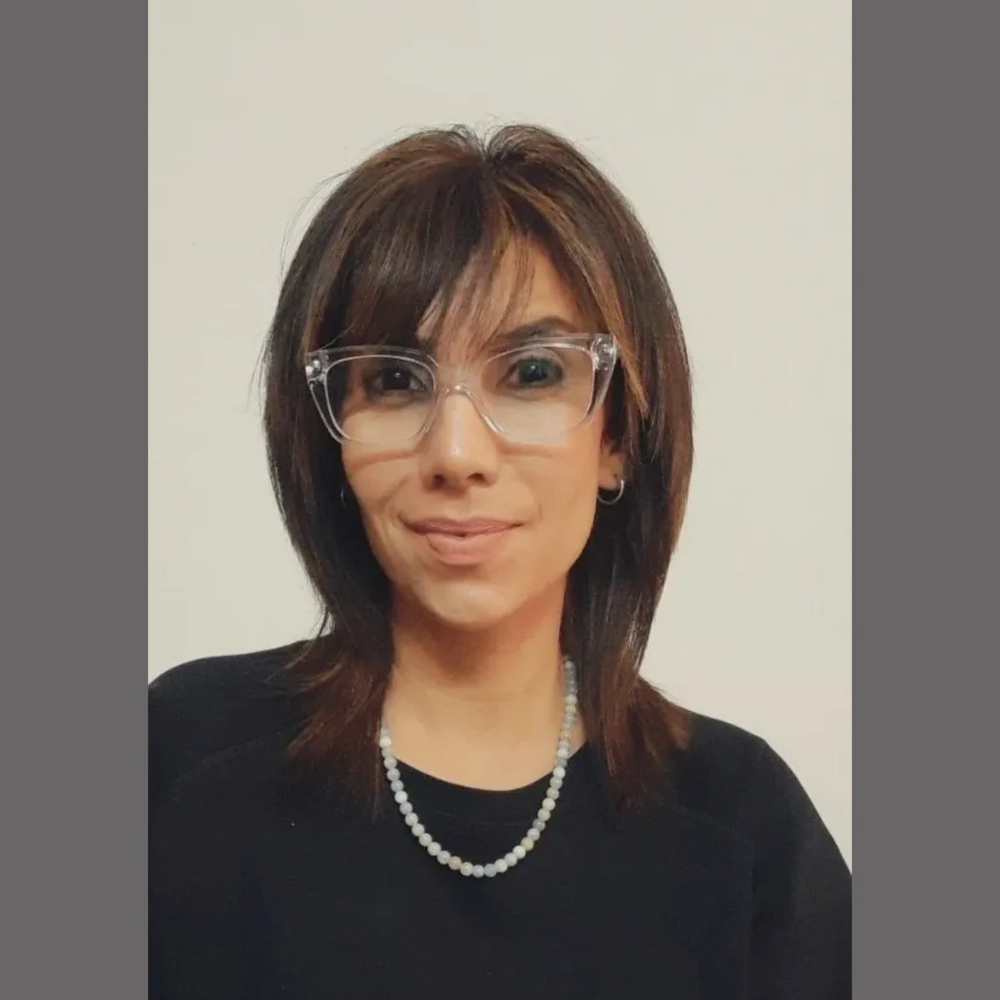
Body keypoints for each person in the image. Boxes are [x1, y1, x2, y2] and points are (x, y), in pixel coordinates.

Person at [149, 123, 851, 999]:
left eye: (529, 373)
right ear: (330, 438)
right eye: (395, 381)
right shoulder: (179, 761)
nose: (456, 453)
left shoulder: (741, 829)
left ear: (619, 438)